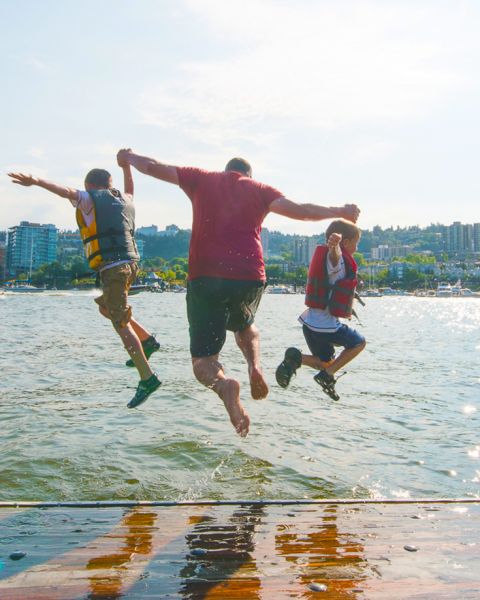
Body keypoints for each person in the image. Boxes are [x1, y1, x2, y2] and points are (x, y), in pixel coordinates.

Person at [116, 149, 360, 436]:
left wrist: (128, 159)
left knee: (203, 361)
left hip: (205, 277)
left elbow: (152, 166)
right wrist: (340, 212)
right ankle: (254, 365)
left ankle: (224, 386)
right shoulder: (259, 190)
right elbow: (303, 212)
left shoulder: (201, 179)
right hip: (249, 277)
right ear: (249, 175)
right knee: (246, 326)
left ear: (226, 170)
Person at [8, 164, 161, 409]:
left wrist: (35, 180)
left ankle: (147, 378)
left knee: (119, 322)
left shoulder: (89, 199)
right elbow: (130, 188)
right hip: (131, 265)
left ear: (90, 186)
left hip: (114, 268)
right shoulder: (125, 198)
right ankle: (148, 341)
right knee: (107, 309)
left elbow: (64, 191)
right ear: (111, 184)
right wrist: (126, 167)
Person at [275, 219, 366, 401]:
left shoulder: (330, 261)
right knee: (359, 343)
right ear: (346, 243)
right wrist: (334, 245)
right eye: (356, 244)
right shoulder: (337, 262)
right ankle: (328, 375)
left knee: (324, 362)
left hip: (309, 324)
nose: (356, 248)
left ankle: (295, 358)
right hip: (326, 327)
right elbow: (335, 257)